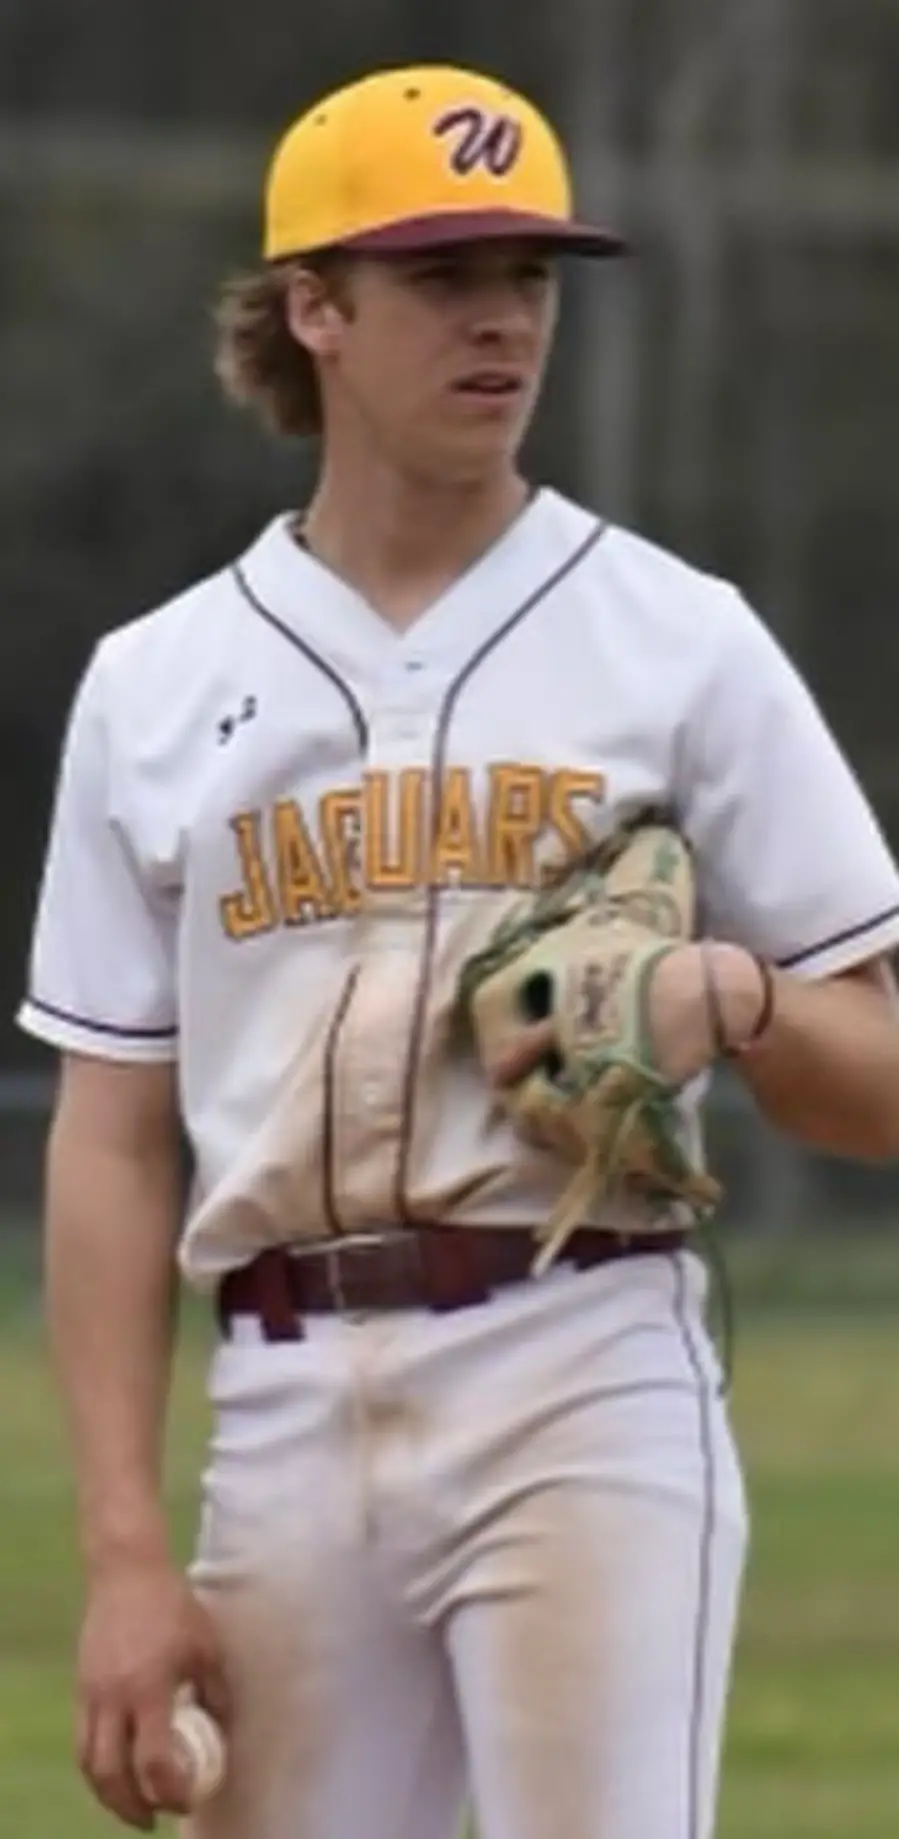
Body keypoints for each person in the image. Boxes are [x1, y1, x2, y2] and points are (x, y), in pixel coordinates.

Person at [19, 61, 899, 1839]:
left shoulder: (677, 641)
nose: (502, 317)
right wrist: (120, 1553)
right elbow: (109, 1140)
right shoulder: (156, 683)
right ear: (315, 311)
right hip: (282, 1394)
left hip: (582, 1359)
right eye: (441, 276)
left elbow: (879, 1079)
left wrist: (731, 997)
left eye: (528, 274)